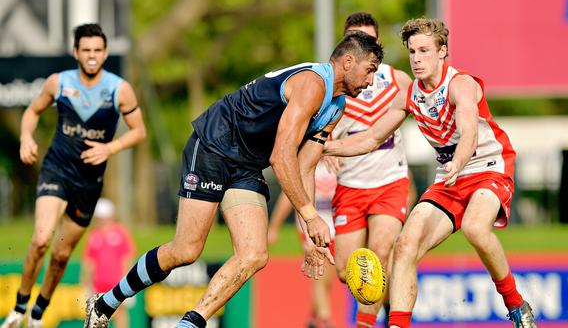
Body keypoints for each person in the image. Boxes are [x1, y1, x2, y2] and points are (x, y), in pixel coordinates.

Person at [84, 31, 384, 328]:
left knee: (254, 254)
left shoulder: (336, 107)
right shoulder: (312, 84)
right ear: (347, 61)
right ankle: (105, 303)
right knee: (186, 250)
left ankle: (188, 325)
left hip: (247, 164)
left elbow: (305, 166)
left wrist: (311, 232)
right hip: (215, 145)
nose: (371, 80)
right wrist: (308, 214)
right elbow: (282, 156)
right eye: (369, 70)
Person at [324, 17, 537, 328]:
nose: (417, 58)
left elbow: (469, 134)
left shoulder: (460, 84)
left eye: (424, 50)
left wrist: (458, 162)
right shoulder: (409, 93)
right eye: (412, 51)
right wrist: (323, 148)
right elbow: (370, 138)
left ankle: (516, 305)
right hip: (450, 178)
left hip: (487, 168)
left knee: (475, 228)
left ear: (442, 52)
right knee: (405, 245)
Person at [1, 23, 146, 328]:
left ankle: (39, 312)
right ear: (76, 52)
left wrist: (111, 148)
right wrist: (26, 138)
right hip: (56, 170)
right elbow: (32, 111)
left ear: (105, 53)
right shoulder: (59, 83)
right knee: (41, 239)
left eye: (97, 50)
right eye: (86, 50)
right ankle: (19, 306)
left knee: (61, 254)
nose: (92, 56)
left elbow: (139, 131)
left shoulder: (119, 89)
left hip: (88, 183)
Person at [331, 12, 413, 327]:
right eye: (355, 37)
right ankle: (395, 297)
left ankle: (368, 323)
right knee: (345, 270)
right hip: (350, 187)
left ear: (377, 44)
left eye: (367, 38)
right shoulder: (333, 88)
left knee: (378, 253)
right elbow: (318, 135)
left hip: (389, 182)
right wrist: (326, 151)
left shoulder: (398, 81)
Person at [267, 160, 338, 328]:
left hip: (335, 227)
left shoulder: (338, 159)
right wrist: (274, 227)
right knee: (319, 275)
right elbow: (288, 197)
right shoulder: (307, 162)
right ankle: (327, 321)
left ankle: (313, 319)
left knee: (328, 279)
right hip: (311, 229)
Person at [82, 198, 135, 328]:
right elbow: (89, 263)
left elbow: (127, 258)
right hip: (98, 285)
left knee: (120, 313)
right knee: (97, 316)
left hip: (117, 283)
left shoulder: (120, 232)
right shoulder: (94, 235)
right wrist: (86, 284)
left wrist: (127, 282)